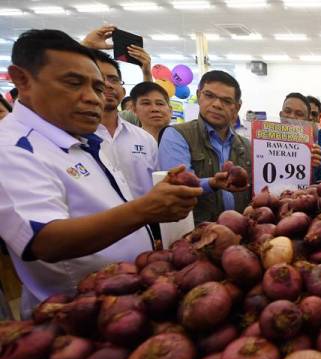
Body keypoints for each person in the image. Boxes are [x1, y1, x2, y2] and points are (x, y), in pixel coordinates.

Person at [0, 29, 200, 317]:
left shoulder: (84, 139)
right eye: (73, 83)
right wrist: (145, 211)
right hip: (75, 314)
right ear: (22, 80)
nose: (94, 98)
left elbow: (108, 207)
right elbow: (44, 239)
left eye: (98, 87)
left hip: (130, 296)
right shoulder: (13, 147)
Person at [158, 70, 250, 223]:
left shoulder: (246, 146)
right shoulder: (177, 135)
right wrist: (212, 183)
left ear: (237, 107)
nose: (216, 104)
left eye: (226, 101)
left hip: (240, 235)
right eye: (209, 95)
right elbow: (177, 186)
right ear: (199, 95)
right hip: (196, 238)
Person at [88, 49, 159, 199]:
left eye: (114, 80)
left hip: (146, 221)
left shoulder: (144, 139)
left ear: (123, 90)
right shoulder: (76, 138)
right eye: (101, 78)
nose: (108, 85)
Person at [280, 92, 321, 182]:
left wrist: (311, 170)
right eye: (288, 111)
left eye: (299, 114)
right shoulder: (260, 146)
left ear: (307, 120)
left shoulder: (318, 153)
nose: (292, 117)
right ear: (281, 114)